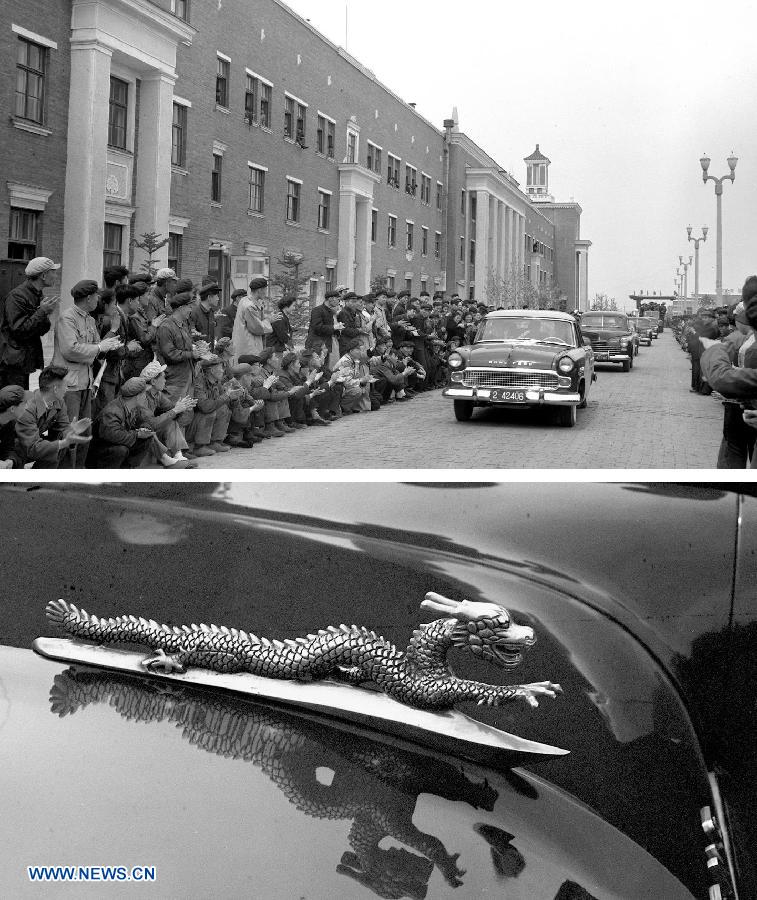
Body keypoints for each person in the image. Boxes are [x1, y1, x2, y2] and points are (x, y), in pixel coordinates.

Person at [52, 279, 122, 467]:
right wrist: (99, 347)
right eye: (96, 296)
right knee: (68, 431)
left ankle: (79, 469)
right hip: (69, 384)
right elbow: (70, 350)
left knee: (84, 432)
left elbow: (95, 348)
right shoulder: (67, 318)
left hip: (85, 382)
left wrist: (107, 346)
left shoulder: (89, 319)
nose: (99, 299)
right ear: (89, 297)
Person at [0, 257, 60, 389]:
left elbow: (42, 330)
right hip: (12, 364)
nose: (56, 275)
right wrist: (41, 312)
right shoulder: (17, 296)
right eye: (53, 271)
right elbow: (19, 329)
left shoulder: (38, 295)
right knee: (12, 404)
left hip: (23, 362)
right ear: (43, 275)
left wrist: (44, 313)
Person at [14, 365, 91, 468]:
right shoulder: (27, 409)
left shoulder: (58, 401)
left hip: (35, 442)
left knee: (59, 438)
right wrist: (63, 442)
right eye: (65, 386)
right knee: (58, 444)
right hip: (14, 449)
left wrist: (71, 431)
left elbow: (62, 428)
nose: (67, 389)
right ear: (55, 389)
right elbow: (32, 447)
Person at [89, 377, 175, 469]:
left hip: (115, 443)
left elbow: (144, 421)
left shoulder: (134, 407)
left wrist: (144, 428)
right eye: (144, 394)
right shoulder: (113, 411)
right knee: (120, 450)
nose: (146, 397)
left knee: (146, 438)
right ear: (138, 396)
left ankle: (127, 467)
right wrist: (137, 434)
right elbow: (113, 435)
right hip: (99, 452)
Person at [139, 360, 197, 466]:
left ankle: (178, 455)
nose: (165, 380)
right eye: (163, 377)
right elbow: (150, 424)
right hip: (138, 432)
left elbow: (171, 410)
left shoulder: (157, 394)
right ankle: (166, 460)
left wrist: (182, 407)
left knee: (171, 421)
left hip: (151, 428)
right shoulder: (142, 396)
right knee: (147, 427)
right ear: (153, 382)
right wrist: (175, 410)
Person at [185, 355, 241, 456]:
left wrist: (234, 397)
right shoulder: (198, 383)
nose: (223, 370)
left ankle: (214, 442)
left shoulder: (216, 382)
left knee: (224, 409)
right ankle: (199, 446)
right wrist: (226, 395)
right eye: (221, 368)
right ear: (212, 370)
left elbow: (228, 404)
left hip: (202, 419)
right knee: (210, 412)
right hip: (193, 422)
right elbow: (205, 407)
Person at [157, 289, 203, 410]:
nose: (191, 310)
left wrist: (197, 350)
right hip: (174, 381)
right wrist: (191, 354)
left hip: (186, 378)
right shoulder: (166, 327)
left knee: (186, 416)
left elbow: (187, 347)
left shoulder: (183, 325)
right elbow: (170, 353)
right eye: (189, 307)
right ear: (181, 307)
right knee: (174, 414)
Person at [232, 277, 272, 360]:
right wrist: (270, 320)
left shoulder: (244, 300)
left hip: (244, 343)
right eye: (265, 289)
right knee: (249, 370)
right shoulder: (249, 306)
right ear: (259, 290)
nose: (266, 292)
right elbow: (257, 328)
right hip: (249, 346)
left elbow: (257, 318)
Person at [307, 291, 344, 367]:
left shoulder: (331, 312)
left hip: (327, 345)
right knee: (317, 368)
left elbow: (332, 329)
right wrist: (334, 327)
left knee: (326, 368)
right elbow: (317, 327)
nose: (338, 302)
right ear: (330, 299)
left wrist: (338, 330)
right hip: (317, 345)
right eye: (338, 299)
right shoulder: (317, 310)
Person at [0, 385, 25, 468]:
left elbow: (9, 448)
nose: (26, 407)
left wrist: (10, 461)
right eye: (24, 404)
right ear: (12, 409)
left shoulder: (9, 422)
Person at [190, 282, 221, 349]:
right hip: (199, 356)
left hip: (209, 354)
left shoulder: (211, 312)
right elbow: (190, 336)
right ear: (209, 297)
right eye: (216, 296)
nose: (218, 299)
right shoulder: (194, 312)